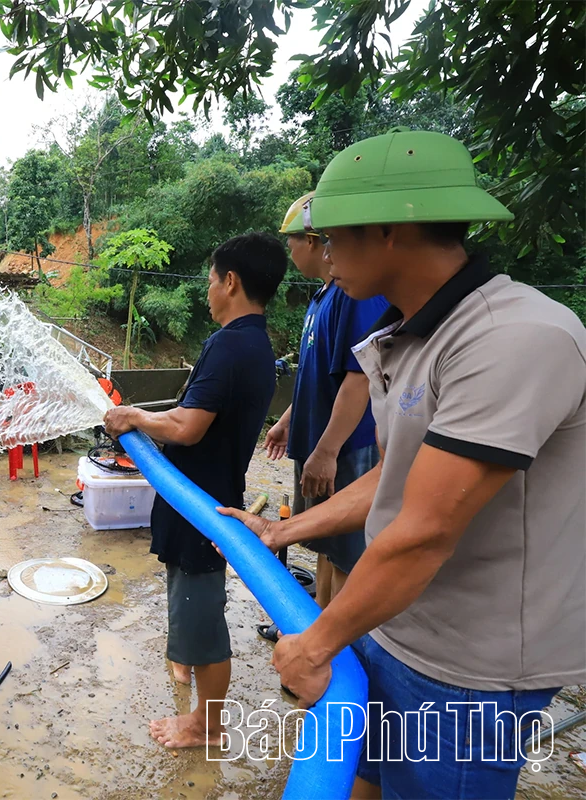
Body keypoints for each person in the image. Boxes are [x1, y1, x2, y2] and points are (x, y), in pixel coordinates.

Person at [220, 131, 586, 799]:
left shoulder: (513, 338)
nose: (324, 258)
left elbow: (425, 528)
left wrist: (316, 639)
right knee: (361, 778)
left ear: (390, 229)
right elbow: (393, 480)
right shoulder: (408, 336)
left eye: (332, 238)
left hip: (470, 666)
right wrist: (283, 532)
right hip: (395, 622)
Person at [103, 231, 287, 749]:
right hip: (204, 492)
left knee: (201, 609)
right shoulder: (253, 343)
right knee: (187, 598)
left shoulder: (231, 345)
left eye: (210, 280)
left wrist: (134, 415)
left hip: (201, 504)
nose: (207, 291)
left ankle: (207, 723)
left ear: (231, 281)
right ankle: (185, 661)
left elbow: (187, 427)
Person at [258, 193, 389, 643]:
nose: (289, 250)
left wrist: (328, 450)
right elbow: (319, 376)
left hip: (345, 448)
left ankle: (335, 649)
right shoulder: (322, 299)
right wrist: (290, 420)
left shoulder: (356, 299)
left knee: (349, 550)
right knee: (325, 544)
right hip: (319, 445)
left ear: (314, 240)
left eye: (292, 240)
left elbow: (359, 378)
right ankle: (315, 627)